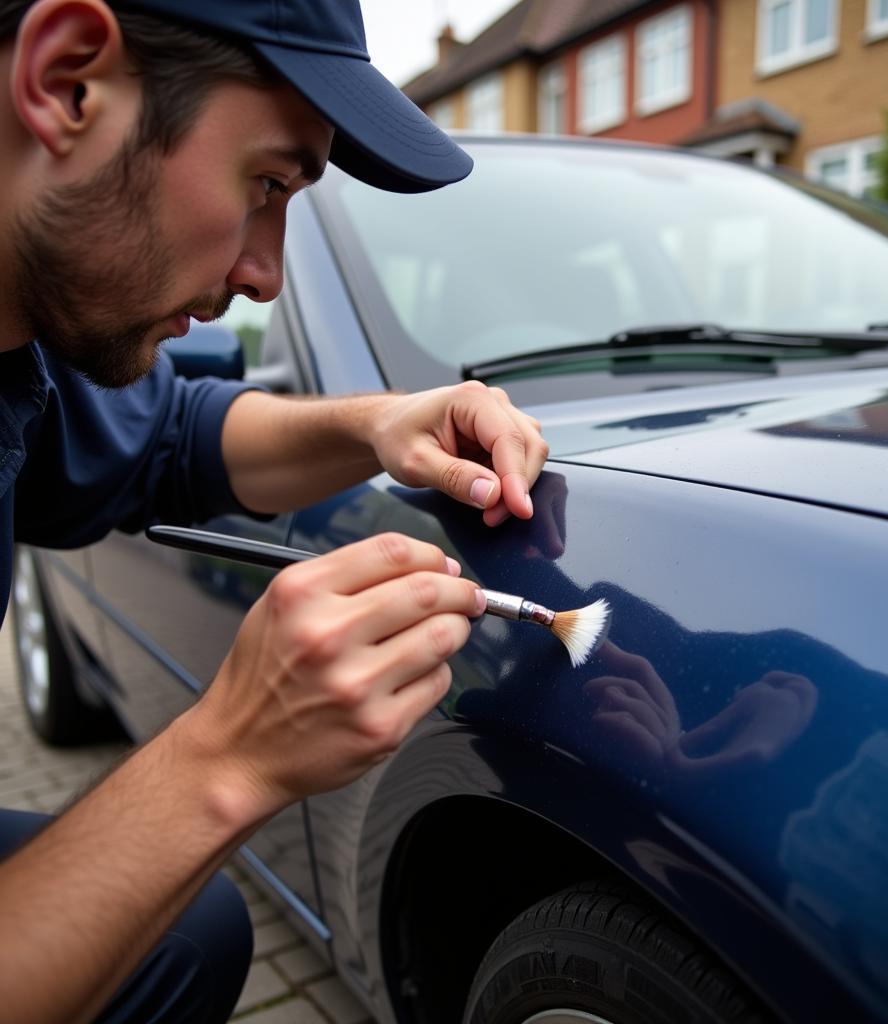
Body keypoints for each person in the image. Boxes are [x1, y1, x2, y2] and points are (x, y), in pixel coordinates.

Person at [0, 0, 549, 1020]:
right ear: (67, 81)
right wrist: (225, 756)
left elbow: (167, 437)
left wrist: (382, 420)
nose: (264, 272)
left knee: (186, 932)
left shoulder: (20, 351)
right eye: (266, 183)